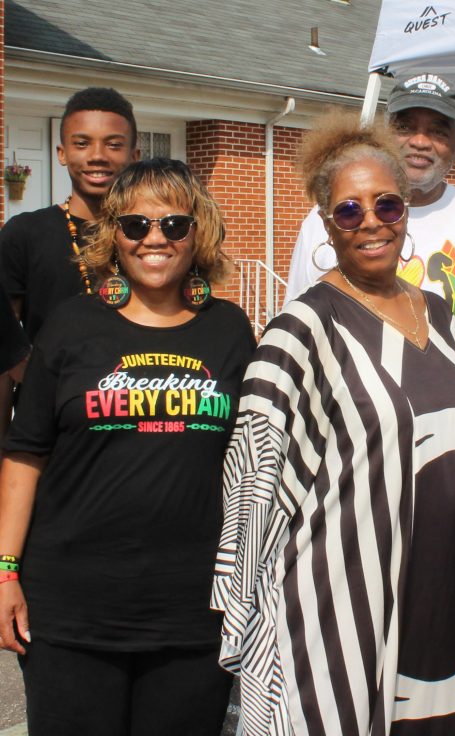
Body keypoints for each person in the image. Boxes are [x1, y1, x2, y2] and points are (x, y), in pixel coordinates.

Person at [213, 111, 455, 735]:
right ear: (326, 226)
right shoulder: (301, 328)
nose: (370, 223)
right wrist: (244, 614)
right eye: (348, 211)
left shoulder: (440, 316)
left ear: (406, 210)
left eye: (385, 206)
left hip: (439, 590)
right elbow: (251, 473)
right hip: (336, 602)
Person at [0, 157, 256, 734]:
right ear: (114, 233)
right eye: (136, 225)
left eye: (173, 224)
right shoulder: (70, 325)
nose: (154, 239)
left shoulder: (230, 330)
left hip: (194, 610)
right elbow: (25, 452)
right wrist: (4, 573)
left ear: (200, 231)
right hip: (70, 608)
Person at [285, 73, 455, 380]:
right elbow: (298, 339)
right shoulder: (331, 220)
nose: (419, 141)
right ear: (382, 135)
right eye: (404, 127)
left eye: (438, 131)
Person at [0, 87, 139, 435]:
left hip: (140, 420)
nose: (97, 156)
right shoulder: (26, 233)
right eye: (81, 143)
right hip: (53, 427)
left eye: (113, 144)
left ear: (134, 154)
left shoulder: (154, 238)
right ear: (61, 153)